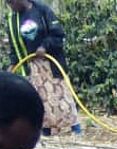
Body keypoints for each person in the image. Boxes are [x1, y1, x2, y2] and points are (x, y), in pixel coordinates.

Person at [4, 0, 81, 136]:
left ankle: (75, 129)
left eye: (11, 3)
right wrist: (13, 64)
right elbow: (14, 46)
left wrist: (44, 46)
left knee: (61, 95)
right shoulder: (13, 19)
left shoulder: (42, 10)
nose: (10, 7)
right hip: (31, 66)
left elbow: (58, 34)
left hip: (51, 63)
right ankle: (46, 131)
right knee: (40, 100)